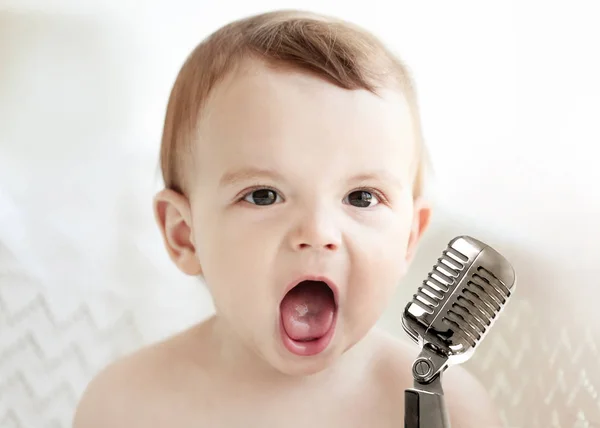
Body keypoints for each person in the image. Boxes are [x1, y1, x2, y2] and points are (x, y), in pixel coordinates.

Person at [74, 9, 503, 427]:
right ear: (185, 235)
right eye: (264, 195)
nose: (317, 233)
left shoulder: (454, 411)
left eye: (361, 197)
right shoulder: (126, 405)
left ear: (410, 238)